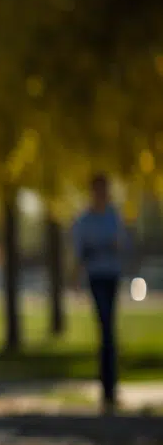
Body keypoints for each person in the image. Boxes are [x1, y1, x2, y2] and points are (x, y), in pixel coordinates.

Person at [71, 173, 133, 413]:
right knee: (104, 327)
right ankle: (106, 387)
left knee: (110, 329)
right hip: (96, 276)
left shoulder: (113, 217)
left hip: (111, 275)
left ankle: (110, 387)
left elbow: (123, 244)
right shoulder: (85, 220)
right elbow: (79, 252)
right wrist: (76, 278)